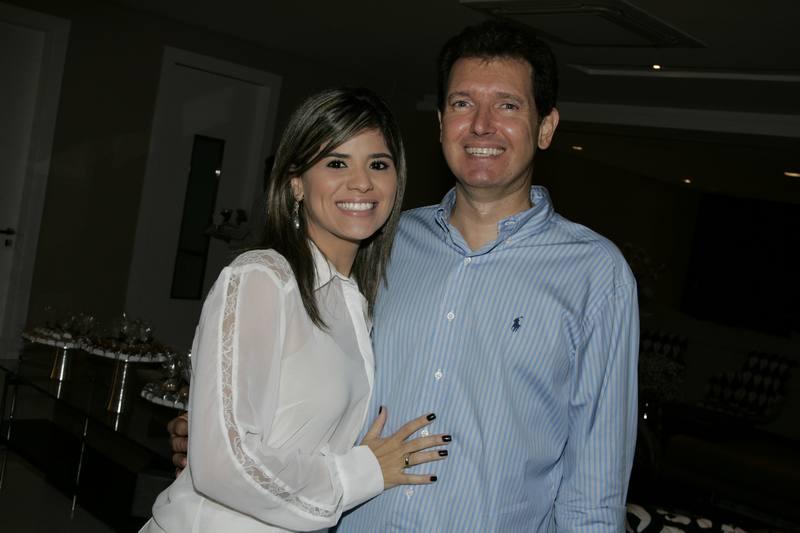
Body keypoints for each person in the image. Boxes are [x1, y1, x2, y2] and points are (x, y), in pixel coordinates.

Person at [171, 19, 639, 531]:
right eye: (463, 103)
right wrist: (221, 438)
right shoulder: (380, 245)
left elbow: (594, 491)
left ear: (546, 127)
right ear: (441, 123)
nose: (481, 125)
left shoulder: (595, 275)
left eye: (508, 105)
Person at [143, 88, 450, 533]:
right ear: (295, 183)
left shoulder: (358, 302)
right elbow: (222, 465)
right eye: (336, 163)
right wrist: (364, 471)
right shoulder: (263, 279)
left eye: (378, 164)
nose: (362, 182)